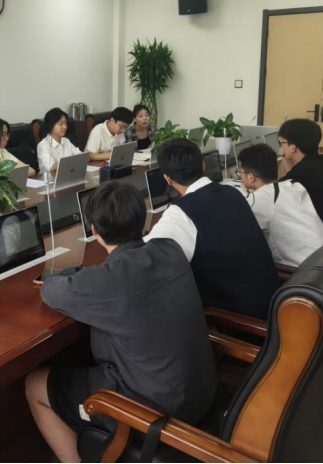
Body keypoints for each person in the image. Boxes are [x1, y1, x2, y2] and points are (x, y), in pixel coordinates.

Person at [26, 181, 217, 463]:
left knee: (34, 384)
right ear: (143, 220)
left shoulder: (109, 280)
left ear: (94, 231)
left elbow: (51, 291)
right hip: (201, 393)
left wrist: (70, 274)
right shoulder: (169, 250)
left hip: (155, 412)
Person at [144, 139, 279, 319]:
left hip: (238, 321)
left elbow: (144, 259)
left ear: (167, 178)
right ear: (203, 164)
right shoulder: (233, 192)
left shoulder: (181, 213)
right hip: (272, 304)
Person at [238, 144, 323, 268]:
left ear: (251, 177)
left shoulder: (261, 199)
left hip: (307, 272)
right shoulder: (293, 185)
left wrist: (252, 195)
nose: (240, 176)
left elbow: (238, 227)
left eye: (240, 172)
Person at [277, 119, 323, 236]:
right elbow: (293, 174)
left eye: (282, 142)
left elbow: (279, 190)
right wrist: (285, 158)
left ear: (292, 147)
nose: (281, 146)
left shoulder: (301, 174)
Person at [37, 108, 82, 176]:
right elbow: (51, 167)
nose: (64, 127)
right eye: (60, 124)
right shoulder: (43, 145)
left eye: (65, 123)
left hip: (67, 176)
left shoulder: (66, 141)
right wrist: (72, 162)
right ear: (51, 125)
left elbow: (80, 156)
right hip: (50, 179)